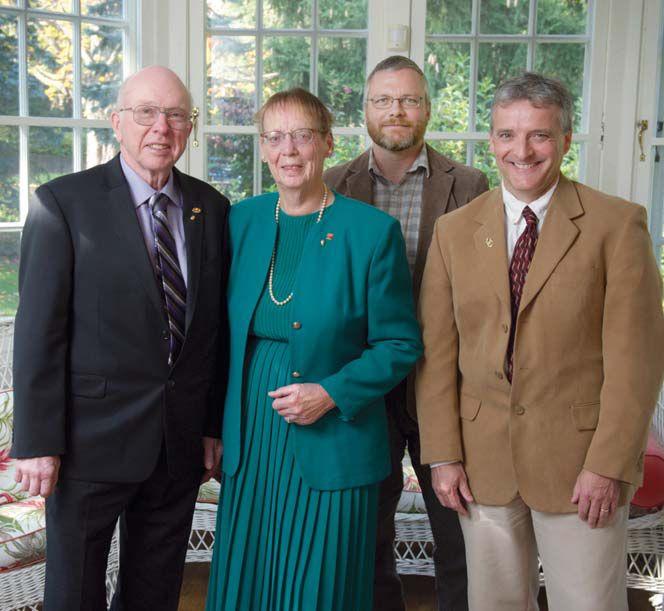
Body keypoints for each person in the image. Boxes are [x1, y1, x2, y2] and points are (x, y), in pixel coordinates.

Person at [416, 71, 664, 611]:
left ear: (566, 139)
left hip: (581, 464)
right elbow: (436, 356)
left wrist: (608, 464)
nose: (522, 151)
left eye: (540, 135)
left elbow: (637, 364)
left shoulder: (617, 225)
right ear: (491, 140)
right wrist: (442, 455)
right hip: (481, 463)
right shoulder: (454, 232)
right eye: (507, 134)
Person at [11, 65, 230, 611]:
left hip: (177, 445)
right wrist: (37, 442)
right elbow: (38, 332)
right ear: (117, 122)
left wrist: (210, 424)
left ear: (190, 126)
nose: (162, 127)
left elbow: (213, 332)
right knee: (74, 594)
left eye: (176, 114)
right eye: (146, 112)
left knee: (154, 592)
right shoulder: (63, 203)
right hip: (88, 445)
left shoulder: (211, 207)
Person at [205, 87, 422, 611]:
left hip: (334, 435)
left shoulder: (371, 232)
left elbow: (400, 343)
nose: (289, 150)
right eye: (275, 137)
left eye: (302, 136)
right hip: (253, 436)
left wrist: (330, 393)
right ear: (263, 148)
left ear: (327, 144)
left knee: (321, 588)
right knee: (250, 582)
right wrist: (213, 426)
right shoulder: (241, 221)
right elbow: (216, 337)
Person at [325, 55, 488, 611]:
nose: (396, 110)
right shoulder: (332, 185)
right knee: (366, 531)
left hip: (442, 382)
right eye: (383, 100)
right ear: (365, 110)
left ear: (427, 108)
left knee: (458, 528)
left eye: (409, 100)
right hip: (364, 381)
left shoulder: (469, 185)